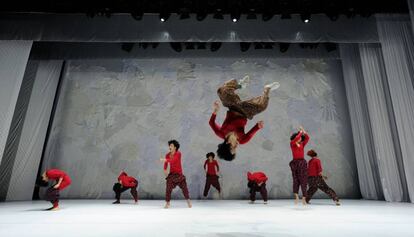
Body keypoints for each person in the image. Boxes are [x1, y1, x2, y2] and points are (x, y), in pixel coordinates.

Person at [209, 76, 280, 161]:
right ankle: (267, 89)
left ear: (227, 144)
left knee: (221, 91)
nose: (236, 146)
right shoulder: (242, 140)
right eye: (236, 150)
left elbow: (211, 123)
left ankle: (240, 85)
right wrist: (258, 126)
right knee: (262, 106)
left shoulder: (220, 133)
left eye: (233, 148)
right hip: (245, 112)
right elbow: (254, 130)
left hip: (233, 106)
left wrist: (216, 110)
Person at [160, 140, 192, 209]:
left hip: (179, 175)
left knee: (184, 189)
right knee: (168, 188)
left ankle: (188, 201)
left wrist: (165, 160)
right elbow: (166, 165)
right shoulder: (167, 155)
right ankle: (167, 203)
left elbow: (173, 160)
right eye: (169, 145)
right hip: (172, 175)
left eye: (171, 146)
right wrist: (165, 170)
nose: (170, 147)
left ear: (175, 147)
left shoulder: (178, 153)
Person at [289, 126, 310, 205]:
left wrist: (303, 131)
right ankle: (296, 196)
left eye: (301, 138)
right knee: (295, 179)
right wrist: (300, 132)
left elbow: (307, 138)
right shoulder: (292, 144)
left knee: (303, 180)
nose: (300, 138)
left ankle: (304, 197)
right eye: (299, 137)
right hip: (295, 163)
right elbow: (296, 138)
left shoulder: (302, 144)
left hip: (302, 163)